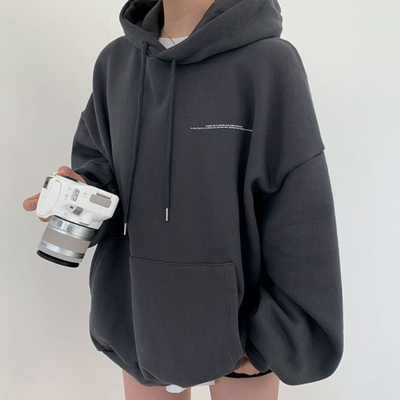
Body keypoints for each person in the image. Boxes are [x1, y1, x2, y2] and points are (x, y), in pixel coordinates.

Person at [23, 0, 343, 399]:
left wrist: (280, 335)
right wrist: (77, 192)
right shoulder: (116, 62)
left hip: (241, 332)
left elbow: (298, 210)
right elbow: (102, 165)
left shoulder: (267, 63)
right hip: (138, 321)